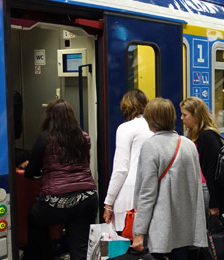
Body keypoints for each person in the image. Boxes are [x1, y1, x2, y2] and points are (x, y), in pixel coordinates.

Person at [131, 98, 207, 259]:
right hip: (184, 228)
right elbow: (195, 188)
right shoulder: (188, 145)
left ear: (151, 120)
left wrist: (139, 231)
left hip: (161, 229)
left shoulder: (151, 146)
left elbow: (147, 193)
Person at [24, 99, 98, 260]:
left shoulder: (45, 138)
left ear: (50, 118)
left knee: (34, 217)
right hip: (86, 198)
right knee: (80, 249)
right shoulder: (84, 137)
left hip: (56, 202)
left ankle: (42, 254)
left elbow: (31, 171)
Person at [103, 90, 153, 233]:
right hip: (151, 192)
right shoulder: (154, 126)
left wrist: (108, 202)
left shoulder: (125, 128)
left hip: (129, 195)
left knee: (127, 243)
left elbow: (121, 169)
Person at [180, 97, 224, 217]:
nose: (181, 118)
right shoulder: (195, 135)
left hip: (207, 193)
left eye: (184, 115)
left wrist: (214, 204)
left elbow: (212, 172)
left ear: (196, 116)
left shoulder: (208, 137)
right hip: (199, 191)